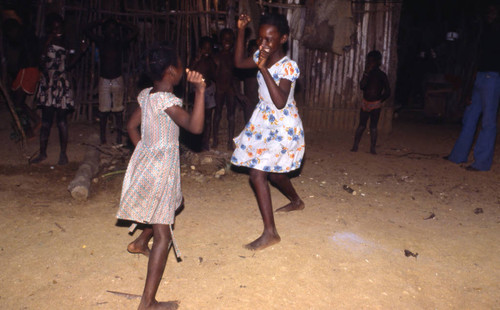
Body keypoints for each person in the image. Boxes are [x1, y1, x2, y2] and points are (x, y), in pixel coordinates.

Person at [116, 42, 205, 310]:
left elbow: (131, 126)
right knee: (164, 235)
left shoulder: (147, 95)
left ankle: (140, 241)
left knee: (166, 206)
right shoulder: (166, 101)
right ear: (170, 71)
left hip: (149, 163)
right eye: (179, 65)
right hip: (161, 169)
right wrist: (200, 90)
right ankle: (148, 302)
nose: (182, 69)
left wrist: (144, 150)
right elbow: (195, 126)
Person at [231, 13, 305, 251]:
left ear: (283, 38)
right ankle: (296, 200)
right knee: (273, 173)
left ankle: (270, 233)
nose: (263, 44)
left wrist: (263, 68)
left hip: (283, 125)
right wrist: (242, 30)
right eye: (261, 38)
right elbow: (238, 63)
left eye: (270, 39)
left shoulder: (288, 67)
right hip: (263, 121)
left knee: (257, 173)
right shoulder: (259, 56)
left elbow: (281, 101)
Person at [445, 4, 500, 171]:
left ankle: (481, 163)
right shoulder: (484, 31)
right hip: (481, 76)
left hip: (494, 76)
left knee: (488, 121)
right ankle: (457, 156)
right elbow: (476, 57)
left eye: (493, 11)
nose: (490, 13)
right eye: (488, 10)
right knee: (469, 117)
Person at [30, 13, 81, 165]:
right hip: (48, 84)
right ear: (50, 28)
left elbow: (69, 64)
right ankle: (43, 153)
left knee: (61, 121)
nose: (57, 29)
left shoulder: (66, 42)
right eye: (54, 27)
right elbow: (40, 60)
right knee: (46, 121)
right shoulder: (44, 42)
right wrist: (48, 41)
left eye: (59, 27)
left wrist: (81, 52)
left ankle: (63, 154)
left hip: (61, 84)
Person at [85, 18, 138, 145]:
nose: (111, 31)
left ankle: (119, 136)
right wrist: (99, 21)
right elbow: (86, 29)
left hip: (117, 79)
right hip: (104, 80)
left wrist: (122, 22)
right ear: (104, 31)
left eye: (114, 29)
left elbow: (135, 30)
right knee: (103, 111)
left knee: (118, 111)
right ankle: (103, 137)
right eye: (109, 29)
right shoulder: (101, 42)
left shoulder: (119, 43)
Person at [3, 18, 41, 138]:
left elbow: (28, 57)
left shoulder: (25, 38)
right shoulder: (26, 37)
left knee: (18, 102)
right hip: (26, 70)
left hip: (28, 70)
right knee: (18, 102)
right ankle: (30, 125)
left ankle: (29, 128)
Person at [350, 50, 390, 154]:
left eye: (372, 61)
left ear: (378, 62)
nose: (370, 63)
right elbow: (362, 86)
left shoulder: (382, 75)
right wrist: (366, 73)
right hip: (365, 102)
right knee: (361, 125)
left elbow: (388, 91)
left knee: (373, 127)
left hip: (376, 104)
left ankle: (373, 148)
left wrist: (380, 100)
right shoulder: (367, 74)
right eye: (369, 61)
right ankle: (355, 146)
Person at [213, 28, 238, 150]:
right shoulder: (216, 57)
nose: (227, 41)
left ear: (233, 41)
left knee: (231, 115)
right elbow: (214, 74)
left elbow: (234, 75)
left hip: (230, 89)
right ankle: (215, 140)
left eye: (230, 39)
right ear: (220, 41)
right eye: (224, 39)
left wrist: (234, 88)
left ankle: (230, 141)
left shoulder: (234, 57)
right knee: (217, 114)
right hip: (220, 88)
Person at [190, 36, 217, 151]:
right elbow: (189, 71)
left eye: (209, 49)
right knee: (196, 117)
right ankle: (196, 142)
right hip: (197, 90)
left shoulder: (211, 61)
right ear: (200, 49)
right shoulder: (196, 61)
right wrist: (196, 61)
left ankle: (205, 142)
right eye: (204, 49)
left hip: (209, 90)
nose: (207, 51)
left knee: (208, 118)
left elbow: (215, 74)